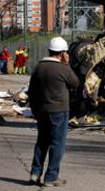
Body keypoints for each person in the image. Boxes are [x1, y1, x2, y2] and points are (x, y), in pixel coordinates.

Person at [28, 37, 80, 187]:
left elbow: (31, 92)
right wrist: (68, 64)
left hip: (41, 111)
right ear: (63, 53)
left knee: (42, 142)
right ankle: (51, 177)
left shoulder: (39, 67)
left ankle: (35, 173)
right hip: (59, 111)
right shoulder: (63, 68)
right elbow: (75, 83)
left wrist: (35, 111)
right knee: (57, 144)